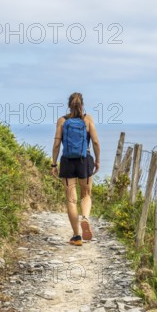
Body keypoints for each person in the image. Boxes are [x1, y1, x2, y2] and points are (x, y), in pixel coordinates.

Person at [51, 92, 101, 246]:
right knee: (86, 194)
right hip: (84, 160)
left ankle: (76, 236)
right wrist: (97, 160)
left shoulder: (62, 121)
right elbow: (96, 142)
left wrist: (54, 164)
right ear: (82, 104)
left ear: (69, 104)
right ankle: (85, 218)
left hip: (67, 161)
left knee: (71, 199)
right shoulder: (88, 119)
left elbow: (57, 144)